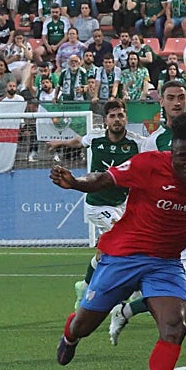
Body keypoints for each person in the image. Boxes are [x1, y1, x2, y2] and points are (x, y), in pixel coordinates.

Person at [49, 111, 186, 370]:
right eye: (181, 156)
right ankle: (71, 332)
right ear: (172, 150)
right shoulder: (149, 165)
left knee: (175, 326)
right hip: (124, 255)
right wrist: (76, 183)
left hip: (167, 262)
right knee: (85, 325)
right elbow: (105, 179)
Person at [46, 100, 143, 302]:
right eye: (113, 116)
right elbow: (79, 141)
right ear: (106, 120)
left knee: (107, 250)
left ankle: (85, 285)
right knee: (123, 238)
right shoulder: (96, 137)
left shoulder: (137, 143)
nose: (117, 120)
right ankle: (133, 290)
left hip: (123, 204)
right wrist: (61, 143)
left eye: (120, 115)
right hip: (97, 204)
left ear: (126, 118)